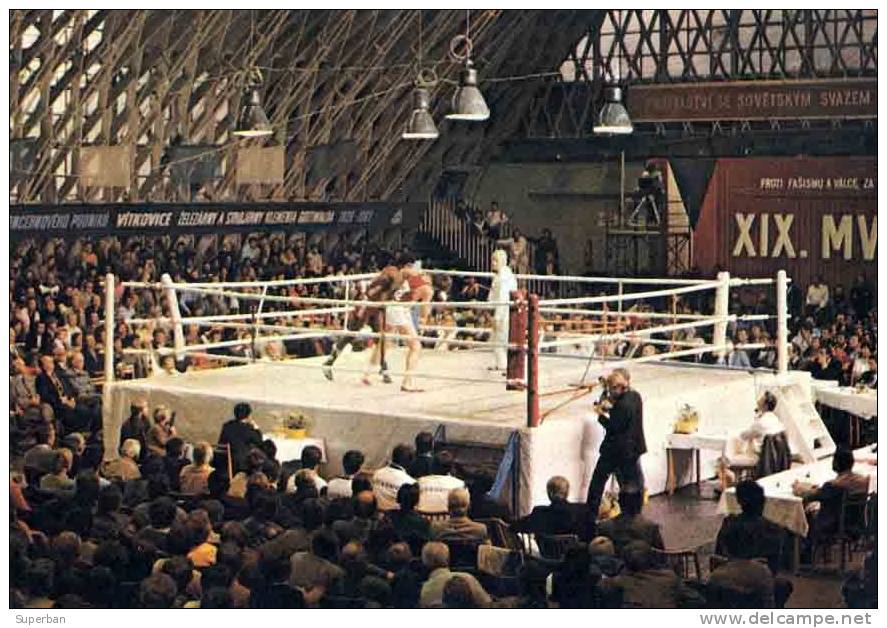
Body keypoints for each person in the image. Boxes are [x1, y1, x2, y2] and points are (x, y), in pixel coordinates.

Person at [585, 368, 646, 539]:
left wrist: (600, 415)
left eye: (612, 388)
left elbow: (614, 426)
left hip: (615, 451)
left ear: (620, 386)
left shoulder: (623, 404)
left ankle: (590, 520)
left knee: (597, 484)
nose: (610, 391)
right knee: (632, 487)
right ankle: (635, 517)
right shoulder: (635, 396)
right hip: (632, 450)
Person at [322, 263, 403, 384]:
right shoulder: (386, 279)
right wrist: (362, 311)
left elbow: (383, 297)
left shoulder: (394, 281)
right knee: (351, 335)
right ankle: (329, 362)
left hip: (374, 309)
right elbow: (370, 294)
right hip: (366, 306)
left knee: (380, 337)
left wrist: (383, 306)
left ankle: (384, 368)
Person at [715, 480, 785, 573]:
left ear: (739, 501)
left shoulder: (730, 523)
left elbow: (719, 555)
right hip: (758, 578)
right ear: (763, 501)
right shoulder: (773, 529)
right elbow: (773, 567)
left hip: (730, 574)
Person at [419, 542, 491, 608]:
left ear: (424, 563)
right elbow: (487, 604)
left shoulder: (424, 591)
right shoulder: (468, 578)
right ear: (448, 559)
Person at [512, 475, 584, 537]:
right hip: (573, 552)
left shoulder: (539, 513)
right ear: (567, 493)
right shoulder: (579, 512)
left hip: (546, 552)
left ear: (550, 493)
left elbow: (515, 527)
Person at [596, 489, 664, 552]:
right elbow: (661, 554)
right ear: (641, 503)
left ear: (619, 503)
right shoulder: (651, 527)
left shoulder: (604, 527)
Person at [488, 249, 518, 373]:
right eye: (492, 260)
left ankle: (506, 366)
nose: (493, 263)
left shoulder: (504, 277)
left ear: (502, 262)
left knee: (502, 337)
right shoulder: (500, 276)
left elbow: (502, 298)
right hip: (501, 310)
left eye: (496, 260)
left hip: (505, 311)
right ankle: (501, 364)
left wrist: (497, 317)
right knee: (496, 338)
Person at [218, 402, 262, 473]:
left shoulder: (226, 426)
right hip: (241, 465)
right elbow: (259, 441)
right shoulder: (248, 428)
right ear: (248, 416)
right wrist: (256, 427)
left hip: (223, 463)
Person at [372, 444, 415, 511]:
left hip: (376, 514)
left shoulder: (377, 473)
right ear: (410, 461)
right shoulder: (409, 482)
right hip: (396, 518)